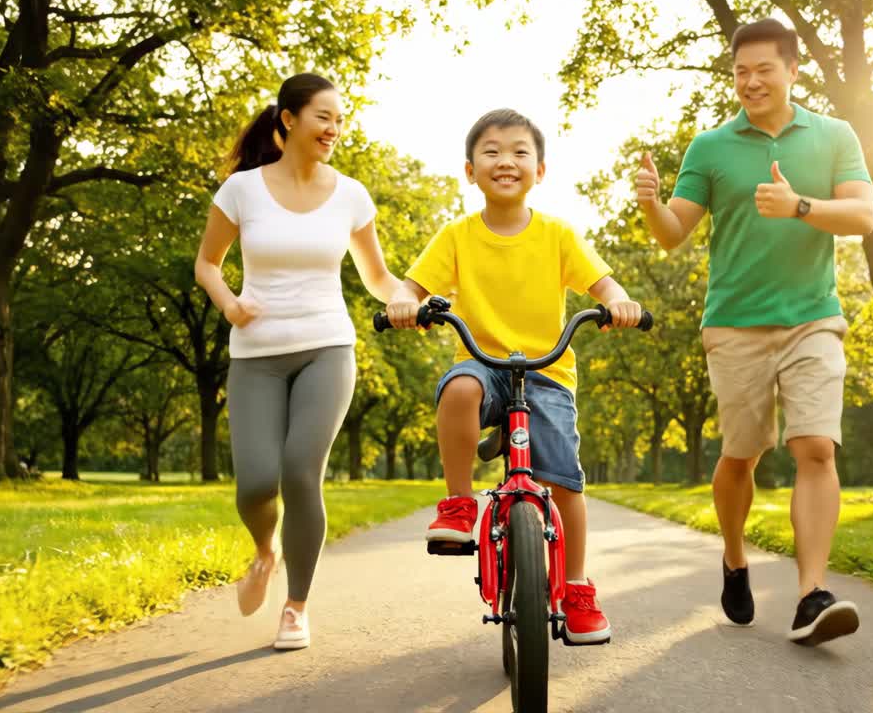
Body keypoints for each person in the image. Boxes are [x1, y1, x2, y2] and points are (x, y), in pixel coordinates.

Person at [635, 18, 873, 646]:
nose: (750, 81)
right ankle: (735, 556)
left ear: (793, 70)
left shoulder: (834, 136)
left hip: (813, 317)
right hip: (735, 325)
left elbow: (863, 216)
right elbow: (672, 233)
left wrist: (800, 205)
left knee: (815, 447)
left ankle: (810, 594)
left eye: (763, 69)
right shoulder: (711, 147)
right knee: (742, 454)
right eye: (740, 71)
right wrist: (649, 204)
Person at [385, 109, 644, 644]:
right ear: (469, 170)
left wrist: (620, 305)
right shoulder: (456, 236)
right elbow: (410, 287)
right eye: (492, 151)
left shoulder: (557, 235)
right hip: (485, 364)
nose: (506, 161)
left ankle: (575, 586)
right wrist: (402, 303)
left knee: (564, 481)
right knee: (457, 388)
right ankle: (458, 504)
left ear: (540, 171)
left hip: (547, 370)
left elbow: (606, 285)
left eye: (520, 152)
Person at [194, 73, 401, 651]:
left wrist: (411, 296)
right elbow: (207, 264)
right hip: (256, 354)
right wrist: (231, 305)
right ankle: (265, 550)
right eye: (324, 117)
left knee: (300, 473)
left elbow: (378, 278)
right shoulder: (242, 190)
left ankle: (296, 606)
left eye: (340, 120)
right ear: (288, 119)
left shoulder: (352, 195)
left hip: (327, 347)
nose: (334, 129)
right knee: (256, 483)